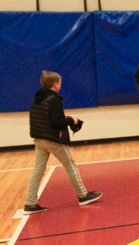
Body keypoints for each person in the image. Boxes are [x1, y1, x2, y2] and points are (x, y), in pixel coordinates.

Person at [23, 70, 102, 214]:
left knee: (38, 171)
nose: (60, 85)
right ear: (55, 84)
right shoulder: (54, 99)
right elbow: (56, 123)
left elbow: (45, 117)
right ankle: (83, 195)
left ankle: (30, 203)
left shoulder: (37, 98)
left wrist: (64, 117)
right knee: (70, 166)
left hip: (39, 139)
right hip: (53, 140)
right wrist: (72, 120)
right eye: (60, 83)